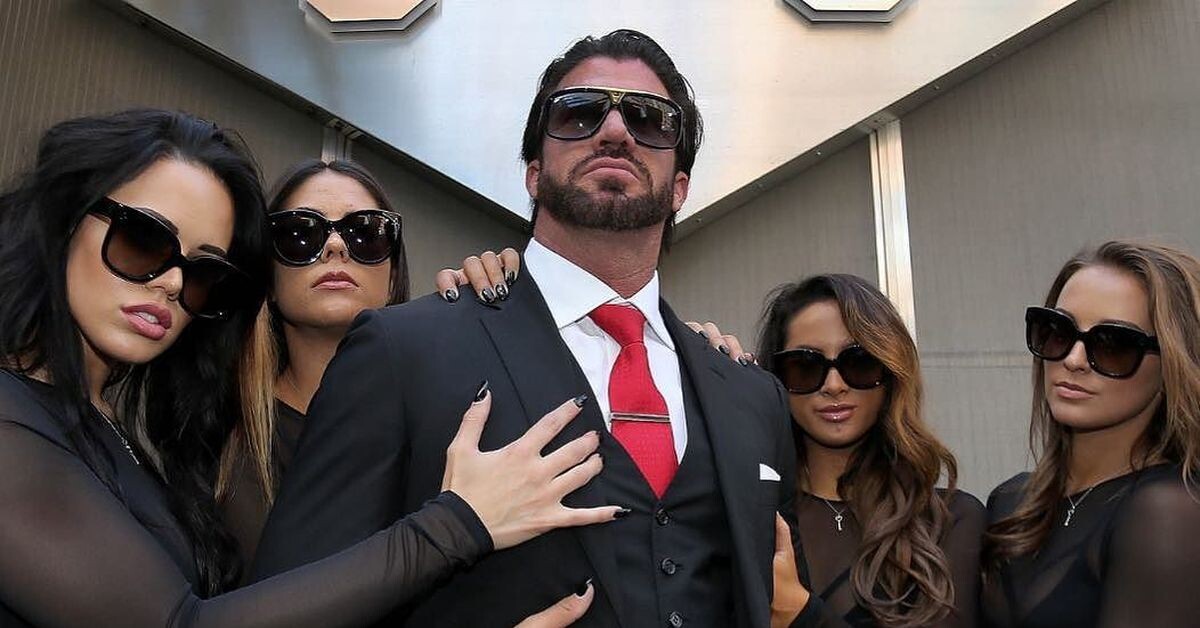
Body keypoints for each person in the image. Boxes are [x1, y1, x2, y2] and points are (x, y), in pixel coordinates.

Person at [253, 29, 799, 627]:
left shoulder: (753, 395)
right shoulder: (400, 351)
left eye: (649, 120)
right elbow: (281, 609)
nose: (615, 131)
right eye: (580, 113)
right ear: (534, 173)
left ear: (680, 189)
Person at [0, 109, 620, 627]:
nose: (170, 282)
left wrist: (510, 310)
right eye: (143, 241)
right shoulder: (189, 436)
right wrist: (457, 523)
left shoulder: (113, 427)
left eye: (203, 270)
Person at [219, 158, 521, 570]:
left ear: (393, 274)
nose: (335, 247)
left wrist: (490, 318)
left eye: (366, 233)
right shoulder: (215, 432)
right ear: (268, 277)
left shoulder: (450, 423)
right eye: (299, 234)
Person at [731, 275, 984, 627]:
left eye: (859, 362)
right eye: (805, 366)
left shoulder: (951, 519)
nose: (834, 385)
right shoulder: (753, 522)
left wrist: (800, 614)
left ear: (891, 372)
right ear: (776, 380)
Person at [981, 240, 1200, 627]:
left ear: (1173, 365)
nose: (1073, 360)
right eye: (1057, 331)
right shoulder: (1010, 501)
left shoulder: (1170, 511)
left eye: (1113, 344)